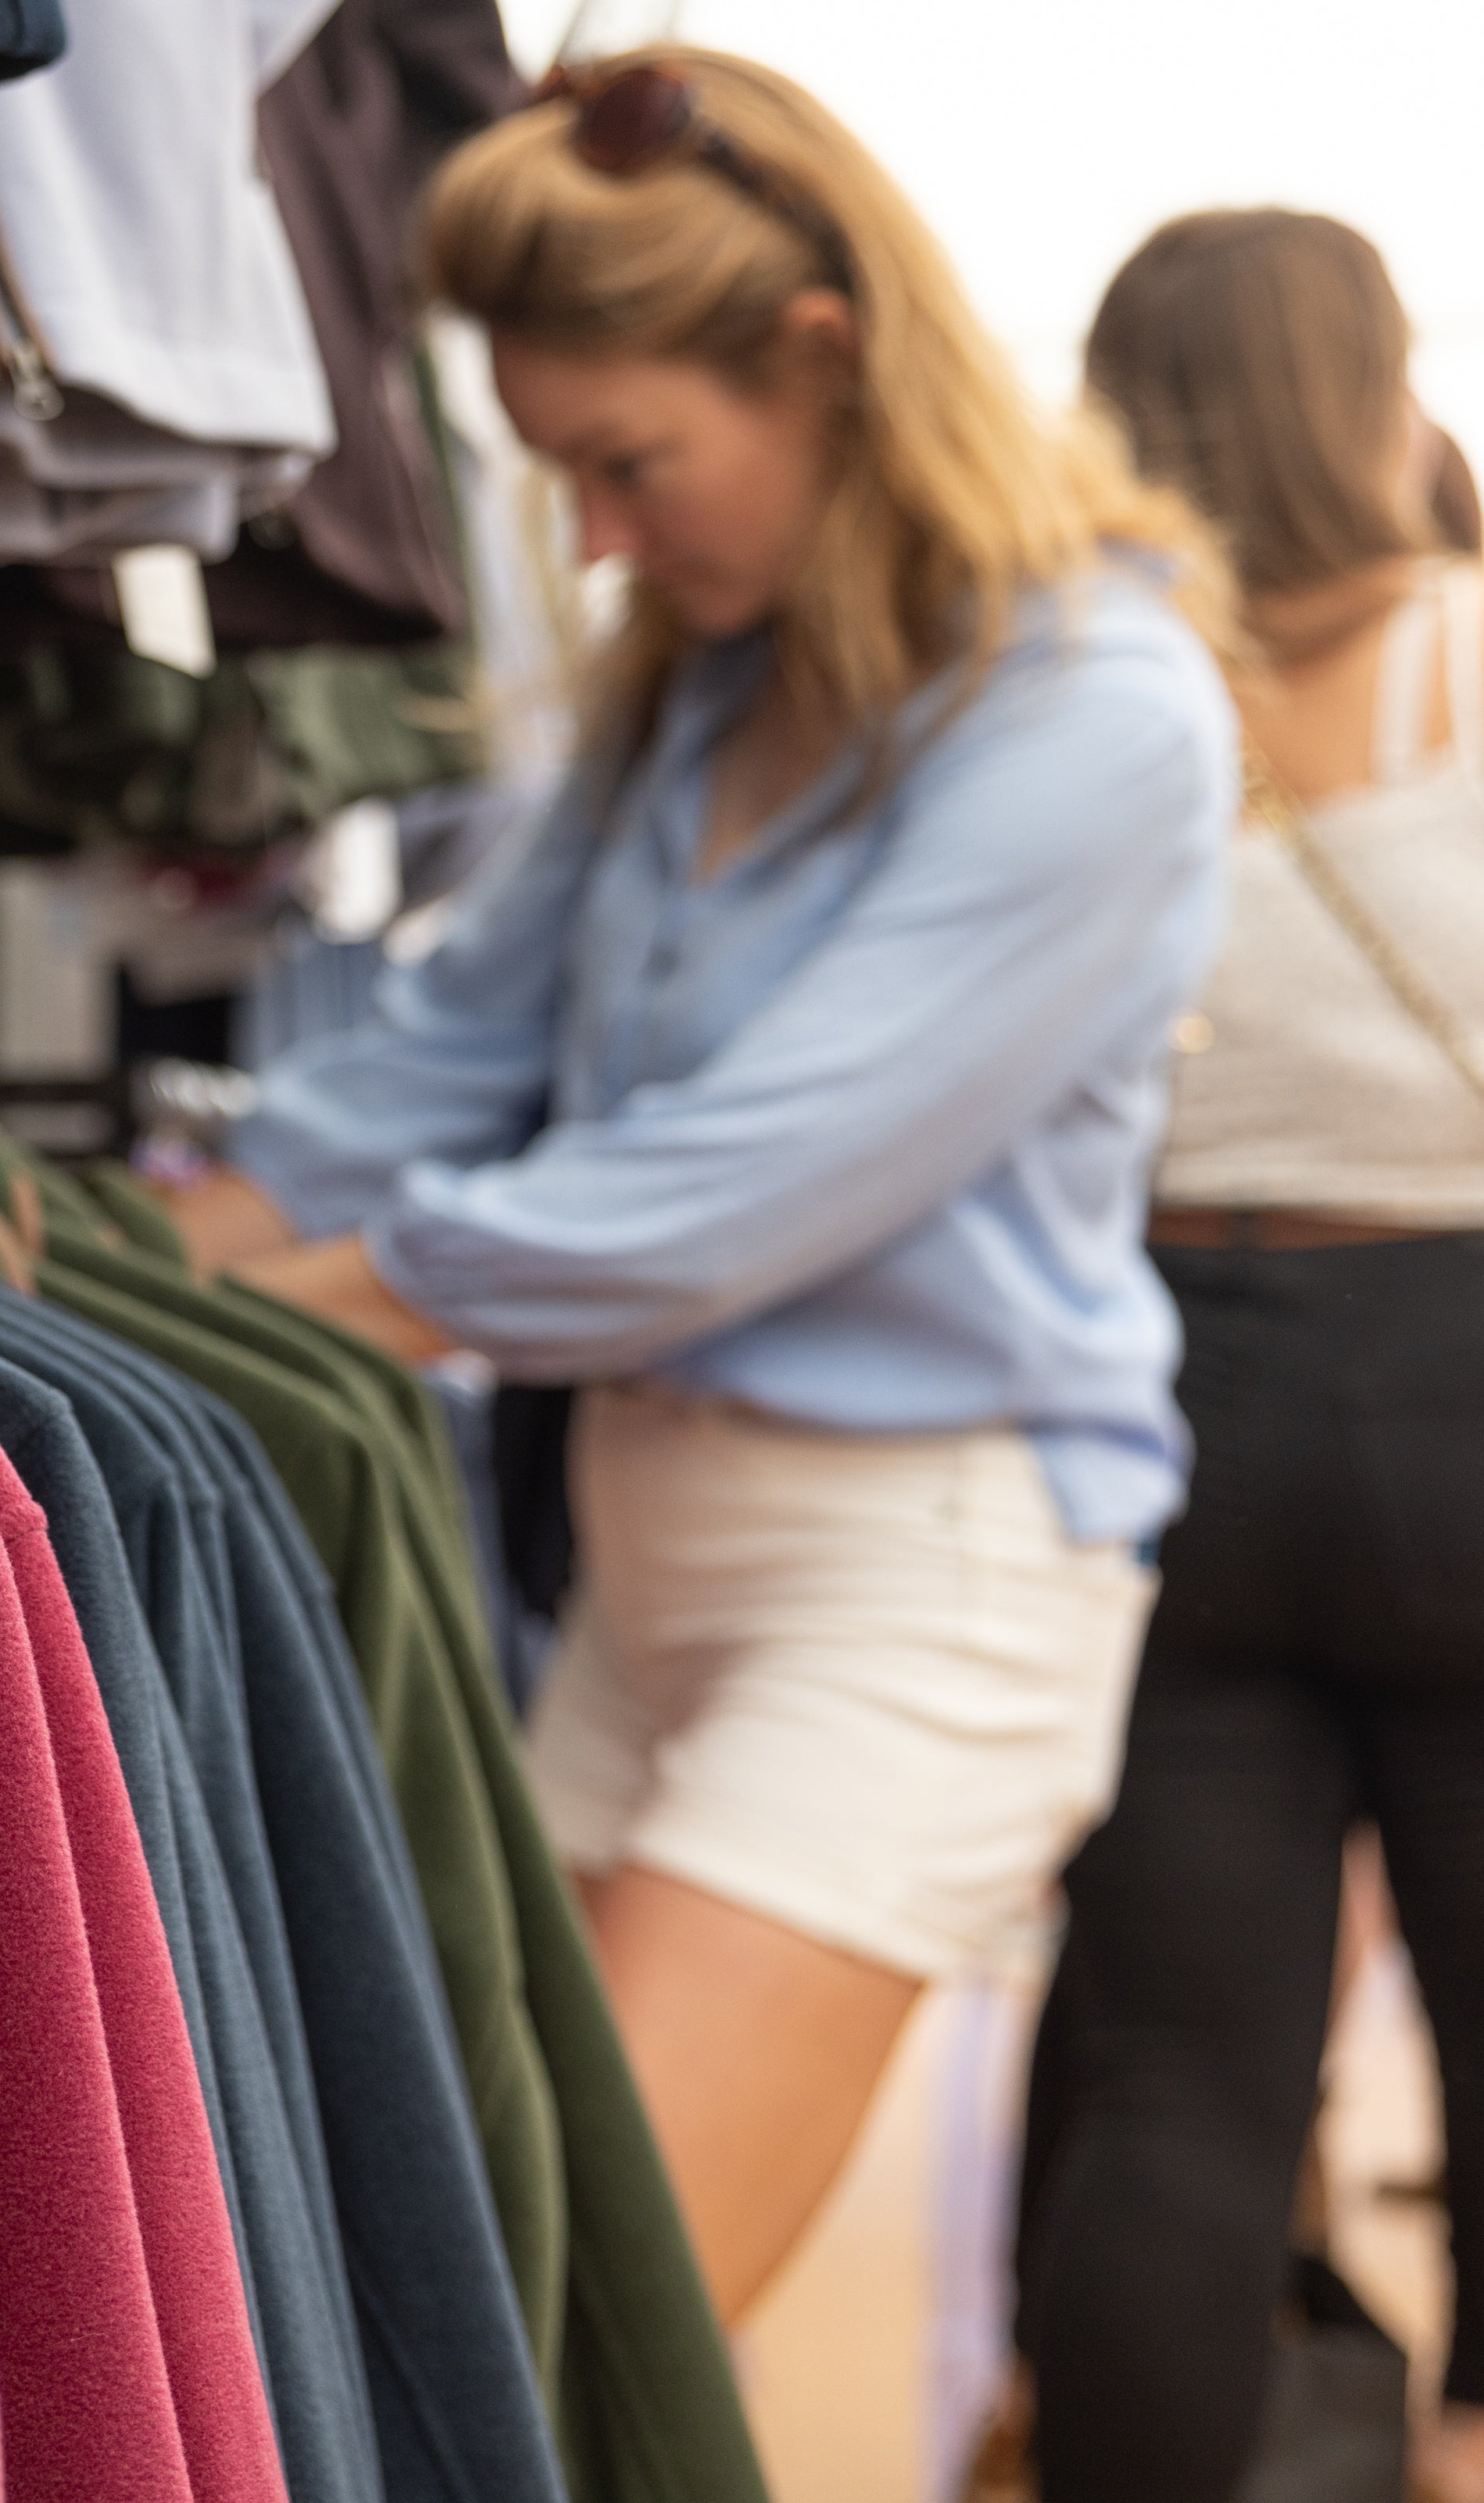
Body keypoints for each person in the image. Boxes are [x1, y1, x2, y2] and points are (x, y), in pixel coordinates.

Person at [161, 48, 1239, 2318]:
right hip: (645, 1562)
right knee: (458, 2296)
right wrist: (87, 1247)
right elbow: (447, 1053)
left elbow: (716, 1198)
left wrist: (190, 1319)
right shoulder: (698, 691)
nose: (591, 537)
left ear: (824, 360)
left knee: (571, 2336)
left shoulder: (1100, 716)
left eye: (624, 462)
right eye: (556, 469)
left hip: (912, 1573)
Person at [1014, 210, 1484, 2503]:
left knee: (1180, 2085)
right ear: (1376, 384)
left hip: (1167, 1380)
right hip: (1470, 1363)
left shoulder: (1071, 681)